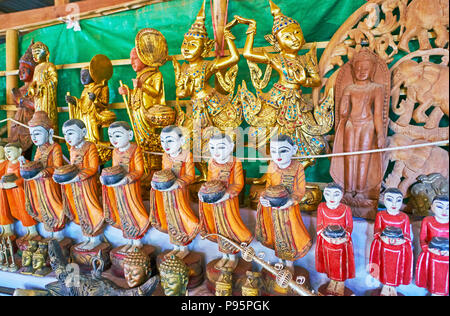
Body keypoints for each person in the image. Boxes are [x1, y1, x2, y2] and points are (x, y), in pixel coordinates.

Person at [257, 134, 312, 272]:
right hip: (273, 210)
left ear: (293, 149)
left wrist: (290, 201)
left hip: (289, 210)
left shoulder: (297, 167)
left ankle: (289, 264)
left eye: (283, 150)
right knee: (276, 234)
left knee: (289, 235)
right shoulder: (272, 165)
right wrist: (264, 197)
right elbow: (268, 186)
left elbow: (300, 190)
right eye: (274, 151)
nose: (278, 155)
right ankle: (280, 260)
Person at [199, 133, 253, 270]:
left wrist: (226, 194)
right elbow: (210, 181)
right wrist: (206, 192)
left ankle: (233, 256)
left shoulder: (235, 162)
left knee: (229, 227)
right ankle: (224, 256)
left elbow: (238, 184)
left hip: (228, 203)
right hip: (216, 203)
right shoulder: (212, 162)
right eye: (212, 148)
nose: (216, 152)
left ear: (231, 147)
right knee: (219, 227)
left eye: (221, 147)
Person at [150, 125, 199, 258]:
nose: (165, 144)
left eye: (170, 140)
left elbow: (190, 176)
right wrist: (157, 181)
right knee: (170, 218)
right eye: (162, 140)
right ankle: (175, 246)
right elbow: (164, 173)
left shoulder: (187, 155)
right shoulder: (166, 156)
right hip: (167, 194)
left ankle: (183, 247)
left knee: (180, 218)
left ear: (182, 141)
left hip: (179, 193)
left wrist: (178, 183)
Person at [102, 121, 150, 252]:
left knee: (132, 211)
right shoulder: (115, 152)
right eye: (111, 136)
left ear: (129, 135)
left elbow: (139, 171)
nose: (113, 140)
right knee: (122, 212)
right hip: (118, 188)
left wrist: (127, 178)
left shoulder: (135, 149)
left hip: (130, 188)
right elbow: (115, 168)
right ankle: (129, 239)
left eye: (117, 135)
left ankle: (137, 241)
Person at [59, 119, 104, 250]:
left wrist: (78, 176)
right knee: (80, 210)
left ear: (83, 132)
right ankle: (87, 237)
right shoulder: (72, 149)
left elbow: (93, 168)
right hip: (76, 186)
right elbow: (73, 166)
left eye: (70, 133)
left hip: (86, 186)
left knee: (89, 210)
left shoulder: (90, 146)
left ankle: (95, 238)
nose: (67, 137)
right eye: (65, 134)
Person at [25, 111, 65, 238]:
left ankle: (58, 236)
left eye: (37, 133)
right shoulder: (38, 149)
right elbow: (37, 164)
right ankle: (50, 234)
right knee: (42, 209)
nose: (34, 137)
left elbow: (57, 167)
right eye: (32, 134)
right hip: (40, 185)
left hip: (50, 186)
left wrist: (44, 173)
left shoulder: (55, 148)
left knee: (53, 208)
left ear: (50, 133)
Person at [369, 188, 413, 296]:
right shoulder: (381, 215)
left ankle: (393, 287)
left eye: (398, 200)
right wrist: (383, 237)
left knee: (395, 269)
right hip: (384, 247)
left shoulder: (404, 217)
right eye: (390, 200)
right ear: (383, 200)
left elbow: (407, 235)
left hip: (398, 250)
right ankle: (385, 286)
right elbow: (377, 231)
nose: (394, 203)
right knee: (384, 267)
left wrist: (401, 240)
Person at [315, 182, 355, 296]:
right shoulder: (321, 207)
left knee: (341, 264)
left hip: (342, 243)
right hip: (326, 242)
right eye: (328, 194)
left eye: (336, 194)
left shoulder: (345, 209)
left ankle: (341, 283)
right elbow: (319, 225)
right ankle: (333, 281)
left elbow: (349, 226)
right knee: (330, 263)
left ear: (342, 195)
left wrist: (344, 237)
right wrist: (325, 237)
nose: (331, 198)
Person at [416, 195, 449, 296]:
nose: (444, 211)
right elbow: (422, 239)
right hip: (431, 255)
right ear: (432, 207)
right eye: (440, 206)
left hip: (447, 257)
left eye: (448, 208)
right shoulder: (428, 221)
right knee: (433, 278)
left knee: (445, 279)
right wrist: (428, 249)